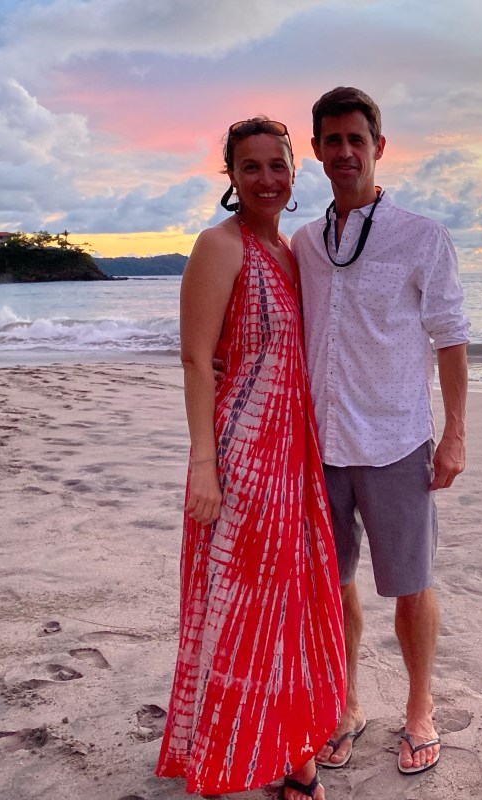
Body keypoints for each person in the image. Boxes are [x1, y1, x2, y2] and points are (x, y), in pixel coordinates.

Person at [156, 117, 347, 800]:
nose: (267, 179)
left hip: (295, 455)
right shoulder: (220, 244)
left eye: (277, 165)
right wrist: (204, 467)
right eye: (251, 167)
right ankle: (246, 756)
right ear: (231, 177)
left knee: (288, 606)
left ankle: (288, 749)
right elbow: (195, 359)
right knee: (241, 608)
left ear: (294, 172)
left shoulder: (292, 251)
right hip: (242, 455)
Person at [291, 87, 470, 776]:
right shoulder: (306, 244)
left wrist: (454, 434)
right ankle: (346, 706)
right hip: (322, 441)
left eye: (356, 140)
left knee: (411, 584)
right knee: (333, 584)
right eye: (332, 140)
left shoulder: (422, 237)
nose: (345, 152)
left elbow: (451, 338)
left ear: (378, 147)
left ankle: (420, 710)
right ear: (317, 150)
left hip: (396, 439)